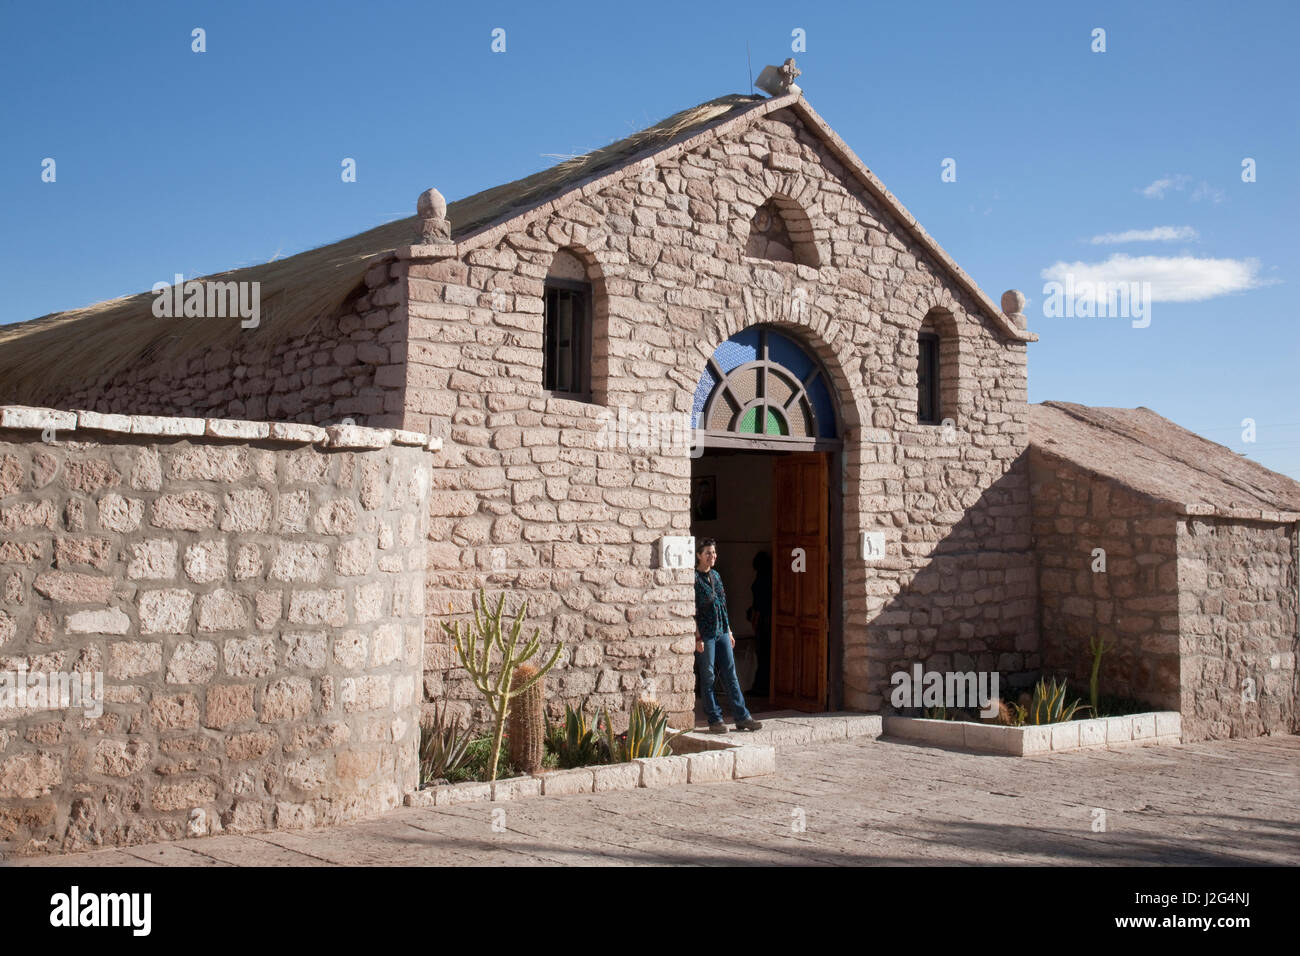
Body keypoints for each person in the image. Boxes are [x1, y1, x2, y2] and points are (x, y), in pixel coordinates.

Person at [694, 538, 762, 733]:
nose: (712, 556)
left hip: (722, 631)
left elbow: (722, 605)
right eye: (708, 553)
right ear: (699, 555)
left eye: (714, 553)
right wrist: (697, 637)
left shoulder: (716, 576)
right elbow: (693, 611)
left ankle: (742, 717)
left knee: (731, 674)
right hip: (705, 634)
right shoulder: (694, 579)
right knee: (708, 677)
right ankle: (715, 719)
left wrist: (729, 630)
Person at [746, 550, 772, 698]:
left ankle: (762, 686)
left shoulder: (763, 579)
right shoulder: (764, 577)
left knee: (763, 652)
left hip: (763, 619)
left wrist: (755, 619)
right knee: (763, 653)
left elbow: (760, 603)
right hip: (762, 618)